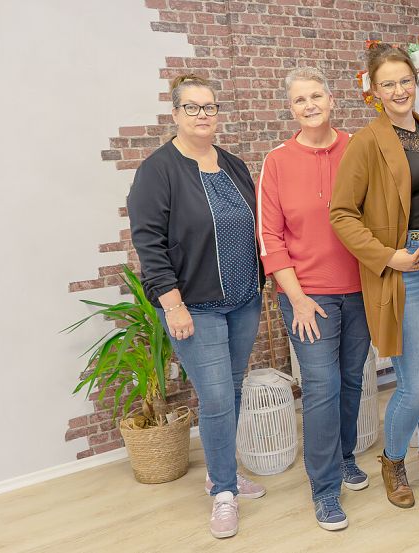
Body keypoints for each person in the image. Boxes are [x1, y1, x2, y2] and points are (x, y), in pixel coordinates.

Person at [127, 74, 266, 539]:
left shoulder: (232, 164)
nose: (203, 115)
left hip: (243, 299)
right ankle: (223, 493)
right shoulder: (158, 170)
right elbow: (149, 244)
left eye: (210, 107)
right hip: (194, 306)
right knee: (217, 398)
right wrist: (173, 306)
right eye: (192, 107)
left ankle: (220, 472)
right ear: (175, 114)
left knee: (233, 390)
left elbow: (254, 225)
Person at [330, 43, 419, 509]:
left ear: (416, 83)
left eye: (405, 80)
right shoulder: (366, 142)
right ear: (374, 91)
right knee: (415, 382)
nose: (399, 90)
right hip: (406, 268)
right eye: (388, 84)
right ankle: (394, 460)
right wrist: (388, 257)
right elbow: (341, 214)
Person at [256, 67, 370, 531]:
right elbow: (269, 237)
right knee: (322, 389)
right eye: (300, 100)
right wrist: (298, 299)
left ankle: (344, 456)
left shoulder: (358, 148)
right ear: (291, 109)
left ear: (331, 100)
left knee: (351, 381)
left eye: (316, 96)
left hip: (361, 291)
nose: (310, 105)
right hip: (308, 297)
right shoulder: (277, 161)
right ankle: (324, 489)